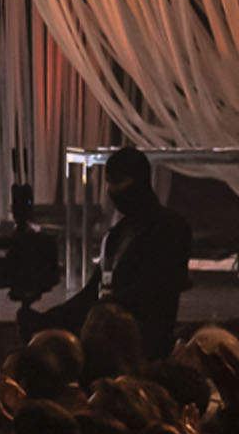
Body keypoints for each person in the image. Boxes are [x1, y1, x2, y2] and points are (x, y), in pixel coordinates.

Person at [18, 147, 191, 359]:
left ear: (140, 181)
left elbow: (155, 291)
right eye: (109, 182)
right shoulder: (117, 234)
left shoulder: (170, 228)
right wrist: (48, 319)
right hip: (105, 343)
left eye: (118, 181)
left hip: (144, 347)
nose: (111, 190)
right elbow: (94, 290)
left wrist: (98, 309)